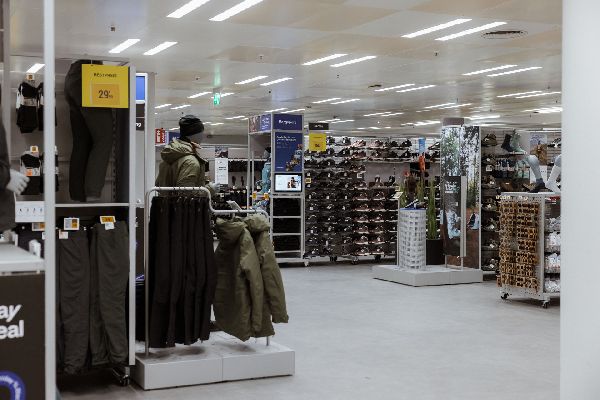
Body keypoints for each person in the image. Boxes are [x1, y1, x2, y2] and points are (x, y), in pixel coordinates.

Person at [156, 115, 217, 193]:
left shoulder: (169, 155)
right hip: (181, 201)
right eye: (202, 132)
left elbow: (158, 184)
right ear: (196, 134)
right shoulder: (190, 161)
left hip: (164, 200)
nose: (203, 136)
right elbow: (186, 193)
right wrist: (210, 189)